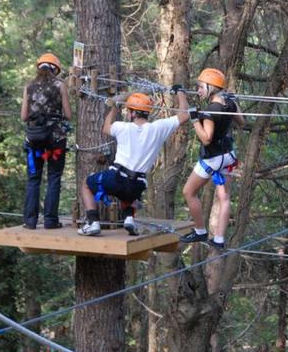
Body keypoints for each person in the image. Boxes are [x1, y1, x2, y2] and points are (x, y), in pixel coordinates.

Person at [79, 89, 190, 236]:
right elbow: (185, 115)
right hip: (137, 184)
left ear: (132, 113)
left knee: (86, 185)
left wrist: (114, 107)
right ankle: (129, 218)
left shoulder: (122, 127)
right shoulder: (158, 128)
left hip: (116, 178)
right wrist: (180, 92)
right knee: (128, 195)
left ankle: (92, 222)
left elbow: (106, 128)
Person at [180, 68, 245, 249]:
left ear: (211, 87)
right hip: (228, 157)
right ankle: (219, 239)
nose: (198, 90)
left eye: (200, 87)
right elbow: (242, 121)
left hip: (212, 159)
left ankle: (200, 232)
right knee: (224, 198)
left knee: (188, 192)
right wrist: (234, 102)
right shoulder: (229, 105)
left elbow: (206, 139)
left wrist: (194, 120)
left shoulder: (210, 110)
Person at [21, 53, 72, 229]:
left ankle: (30, 221)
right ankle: (50, 220)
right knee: (54, 177)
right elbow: (68, 115)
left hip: (34, 139)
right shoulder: (60, 85)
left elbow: (23, 116)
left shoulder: (29, 86)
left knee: (33, 179)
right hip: (55, 139)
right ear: (55, 70)